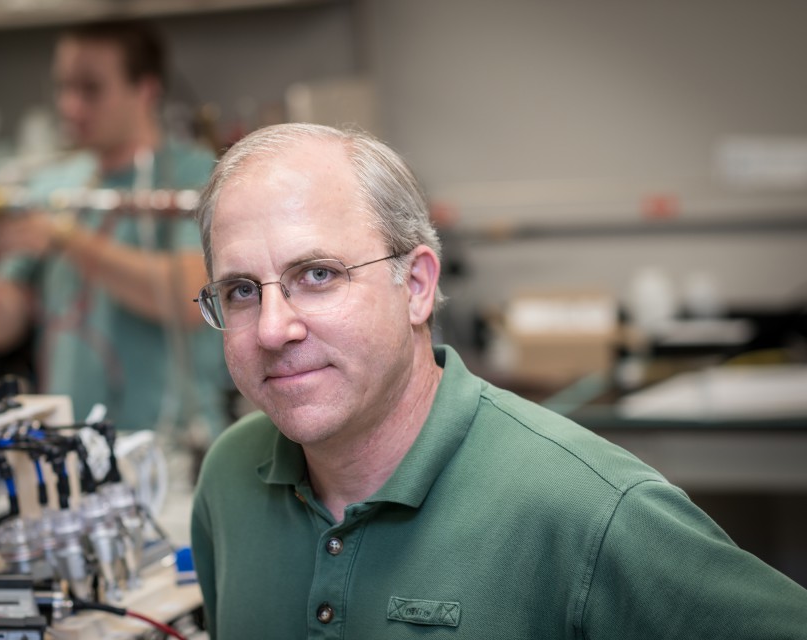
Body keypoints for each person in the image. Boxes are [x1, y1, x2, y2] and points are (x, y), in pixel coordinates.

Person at [189, 123, 807, 639]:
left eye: (318, 275)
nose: (272, 329)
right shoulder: (229, 479)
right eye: (241, 290)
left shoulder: (588, 510)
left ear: (416, 286)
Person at [0, 22, 228, 435]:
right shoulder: (51, 186)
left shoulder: (194, 175)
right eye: (63, 88)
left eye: (90, 89)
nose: (69, 107)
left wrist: (68, 240)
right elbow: (2, 327)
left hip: (172, 443)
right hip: (72, 443)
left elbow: (192, 297)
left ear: (146, 90)